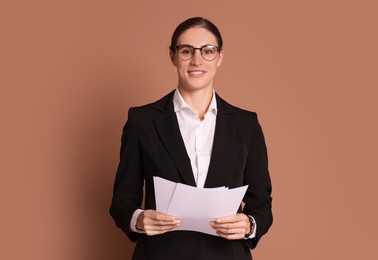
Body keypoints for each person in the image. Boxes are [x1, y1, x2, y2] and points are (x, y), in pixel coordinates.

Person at [110, 17, 273, 260]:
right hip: (160, 254)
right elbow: (122, 201)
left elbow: (262, 205)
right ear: (172, 56)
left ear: (219, 57)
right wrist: (139, 219)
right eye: (187, 51)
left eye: (207, 51)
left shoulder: (246, 124)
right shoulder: (141, 121)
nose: (197, 60)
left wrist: (249, 224)